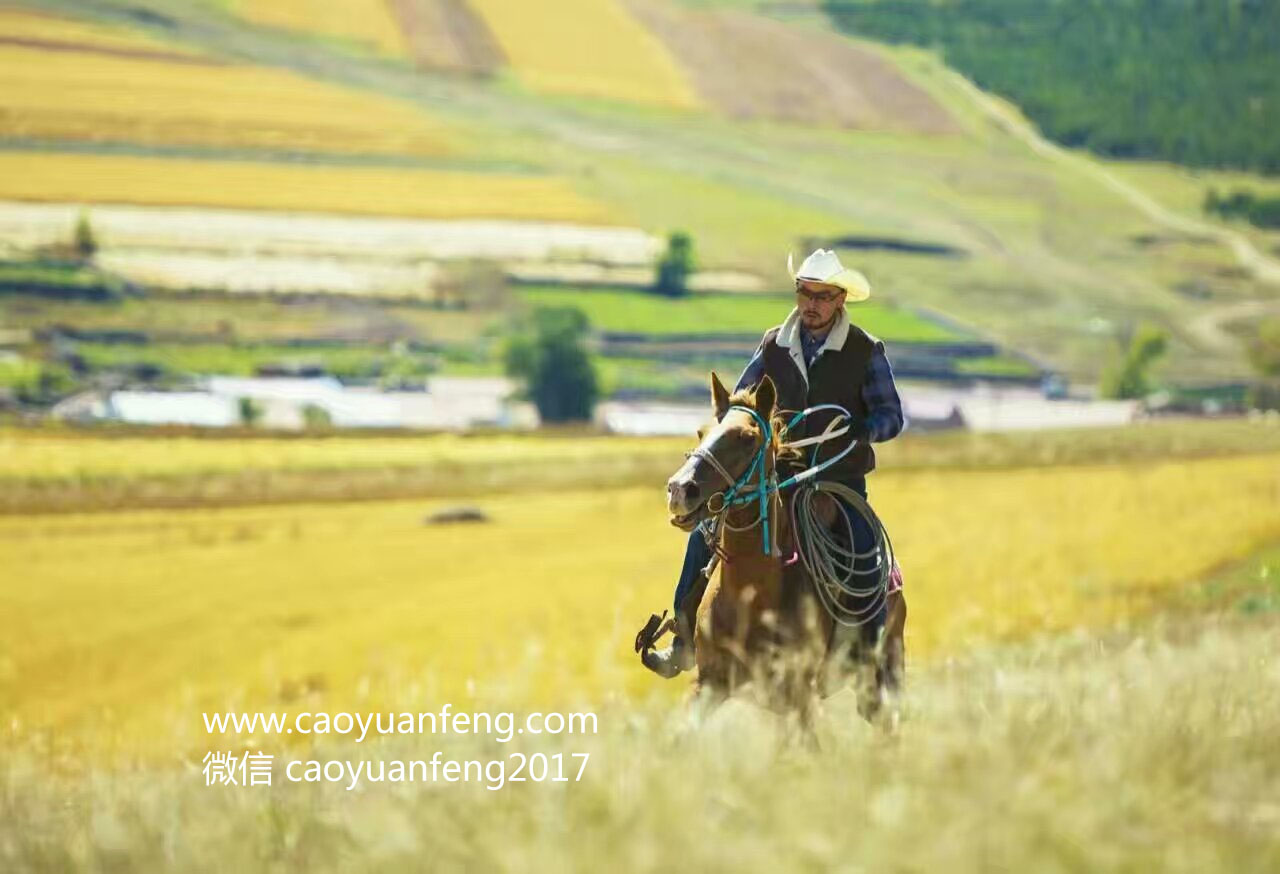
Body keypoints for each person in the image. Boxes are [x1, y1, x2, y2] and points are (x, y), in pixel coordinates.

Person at [642, 248, 907, 678]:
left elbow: (891, 417)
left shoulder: (865, 350)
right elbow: (741, 404)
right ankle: (684, 638)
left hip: (839, 483)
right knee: (705, 533)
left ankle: (872, 662)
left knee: (864, 556)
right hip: (774, 481)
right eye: (805, 294)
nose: (811, 305)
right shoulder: (773, 344)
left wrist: (861, 429)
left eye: (822, 296)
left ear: (840, 299)